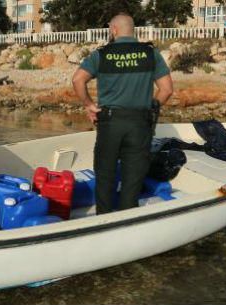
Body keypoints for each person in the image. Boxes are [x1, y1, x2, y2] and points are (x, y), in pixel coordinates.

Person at [72, 13, 173, 215]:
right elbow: (167, 89)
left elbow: (77, 80)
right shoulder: (150, 53)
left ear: (114, 30)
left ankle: (104, 218)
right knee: (133, 178)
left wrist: (89, 105)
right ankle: (128, 217)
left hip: (110, 123)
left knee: (105, 173)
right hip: (139, 123)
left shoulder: (102, 54)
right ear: (132, 30)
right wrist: (151, 107)